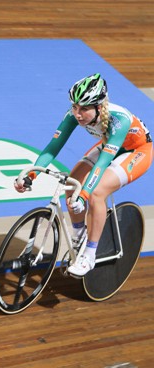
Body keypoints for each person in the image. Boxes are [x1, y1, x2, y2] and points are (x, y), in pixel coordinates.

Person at [14, 73, 152, 277]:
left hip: (137, 151)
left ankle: (90, 254)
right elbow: (53, 147)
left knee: (96, 192)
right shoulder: (72, 115)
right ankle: (80, 235)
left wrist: (85, 195)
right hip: (108, 145)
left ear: (99, 107)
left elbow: (104, 162)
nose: (77, 114)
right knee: (71, 184)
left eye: (84, 109)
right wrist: (30, 175)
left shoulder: (119, 120)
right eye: (74, 107)